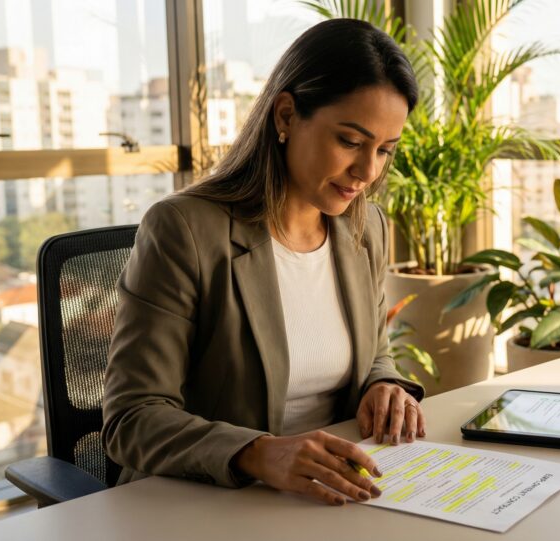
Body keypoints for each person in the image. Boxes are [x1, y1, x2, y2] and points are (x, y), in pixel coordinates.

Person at [102, 19, 425, 507]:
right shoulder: (184, 230)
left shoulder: (365, 228)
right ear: (287, 115)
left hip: (328, 499)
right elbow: (132, 417)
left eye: (384, 150)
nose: (368, 171)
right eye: (351, 142)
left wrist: (384, 382)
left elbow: (375, 351)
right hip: (205, 503)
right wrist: (258, 453)